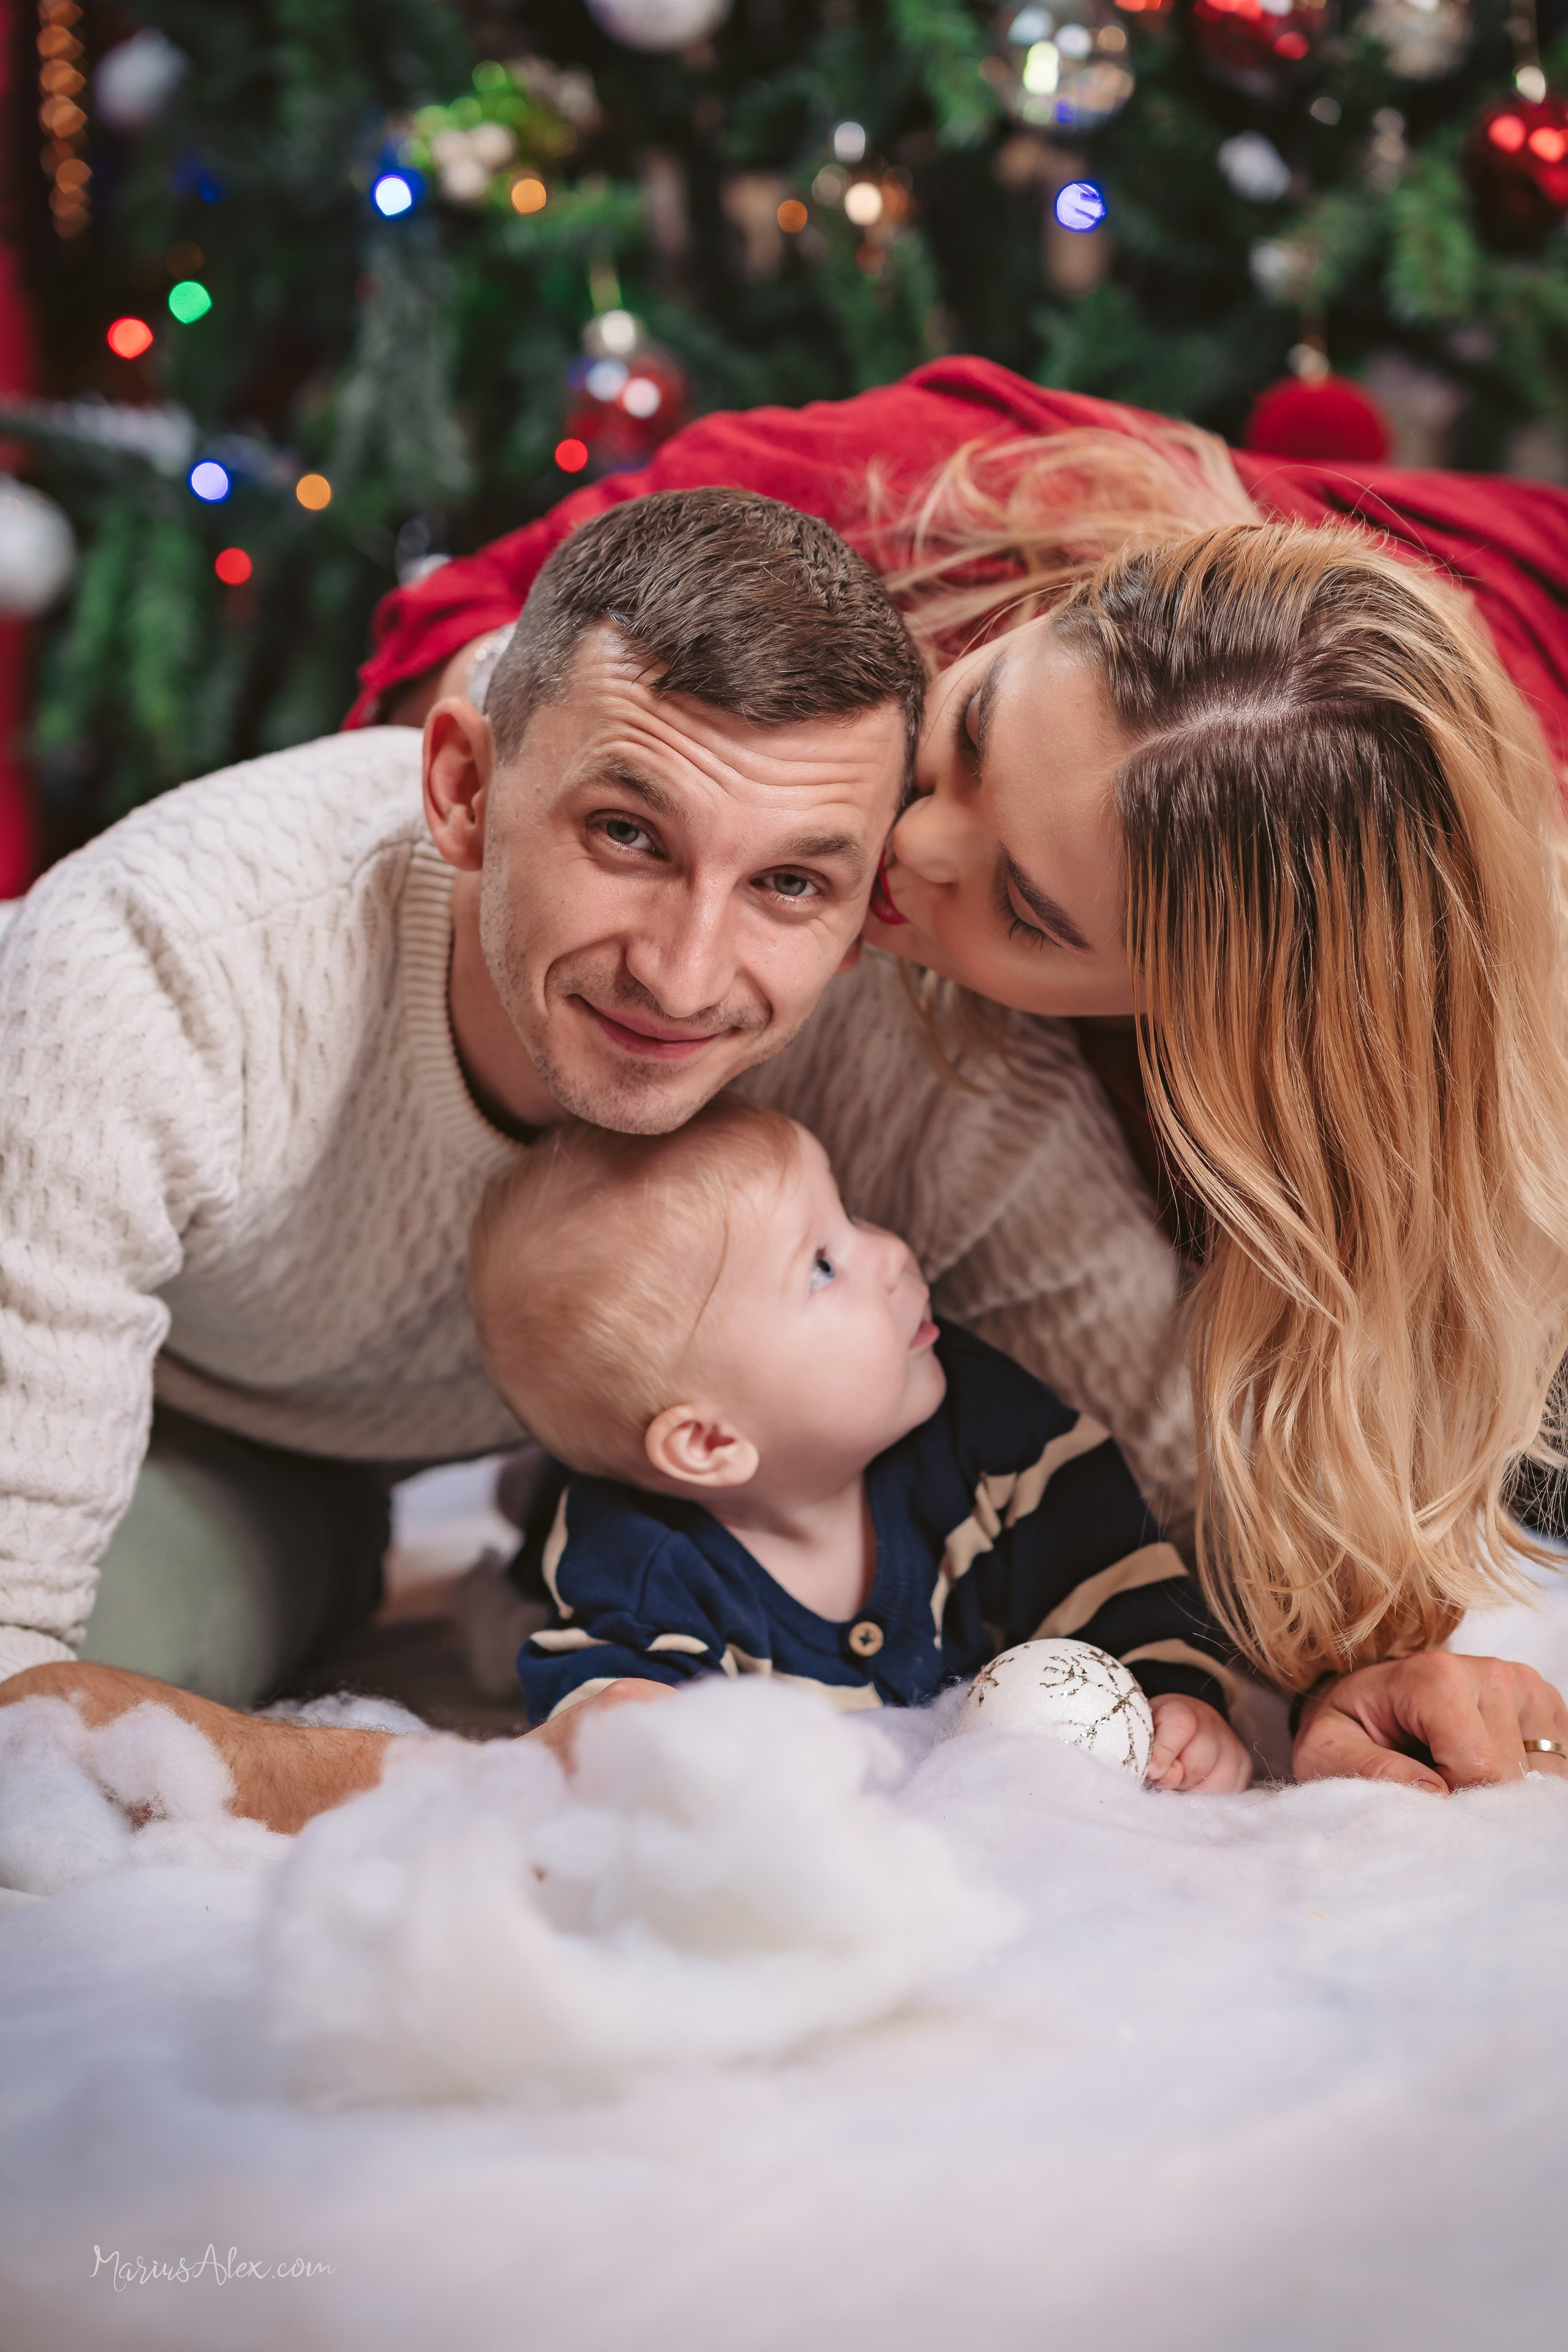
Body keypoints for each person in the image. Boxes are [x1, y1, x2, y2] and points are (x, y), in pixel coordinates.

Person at [349, 352, 1568, 1792]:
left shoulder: (1343, 1062)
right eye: (970, 734)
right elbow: (457, 634)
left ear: (1180, 1020)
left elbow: (1371, 1467)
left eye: (1029, 912)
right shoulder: (881, 506)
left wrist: (1414, 1660)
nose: (905, 853)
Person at [469, 1096, 1252, 1795]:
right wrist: (645, 1741)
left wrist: (1177, 1699)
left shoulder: (994, 1435)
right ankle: (516, 1546)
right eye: (821, 1267)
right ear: (710, 1440)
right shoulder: (644, 1559)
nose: (892, 1252)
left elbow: (1120, 1580)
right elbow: (597, 1714)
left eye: (850, 1214)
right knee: (520, 1620)